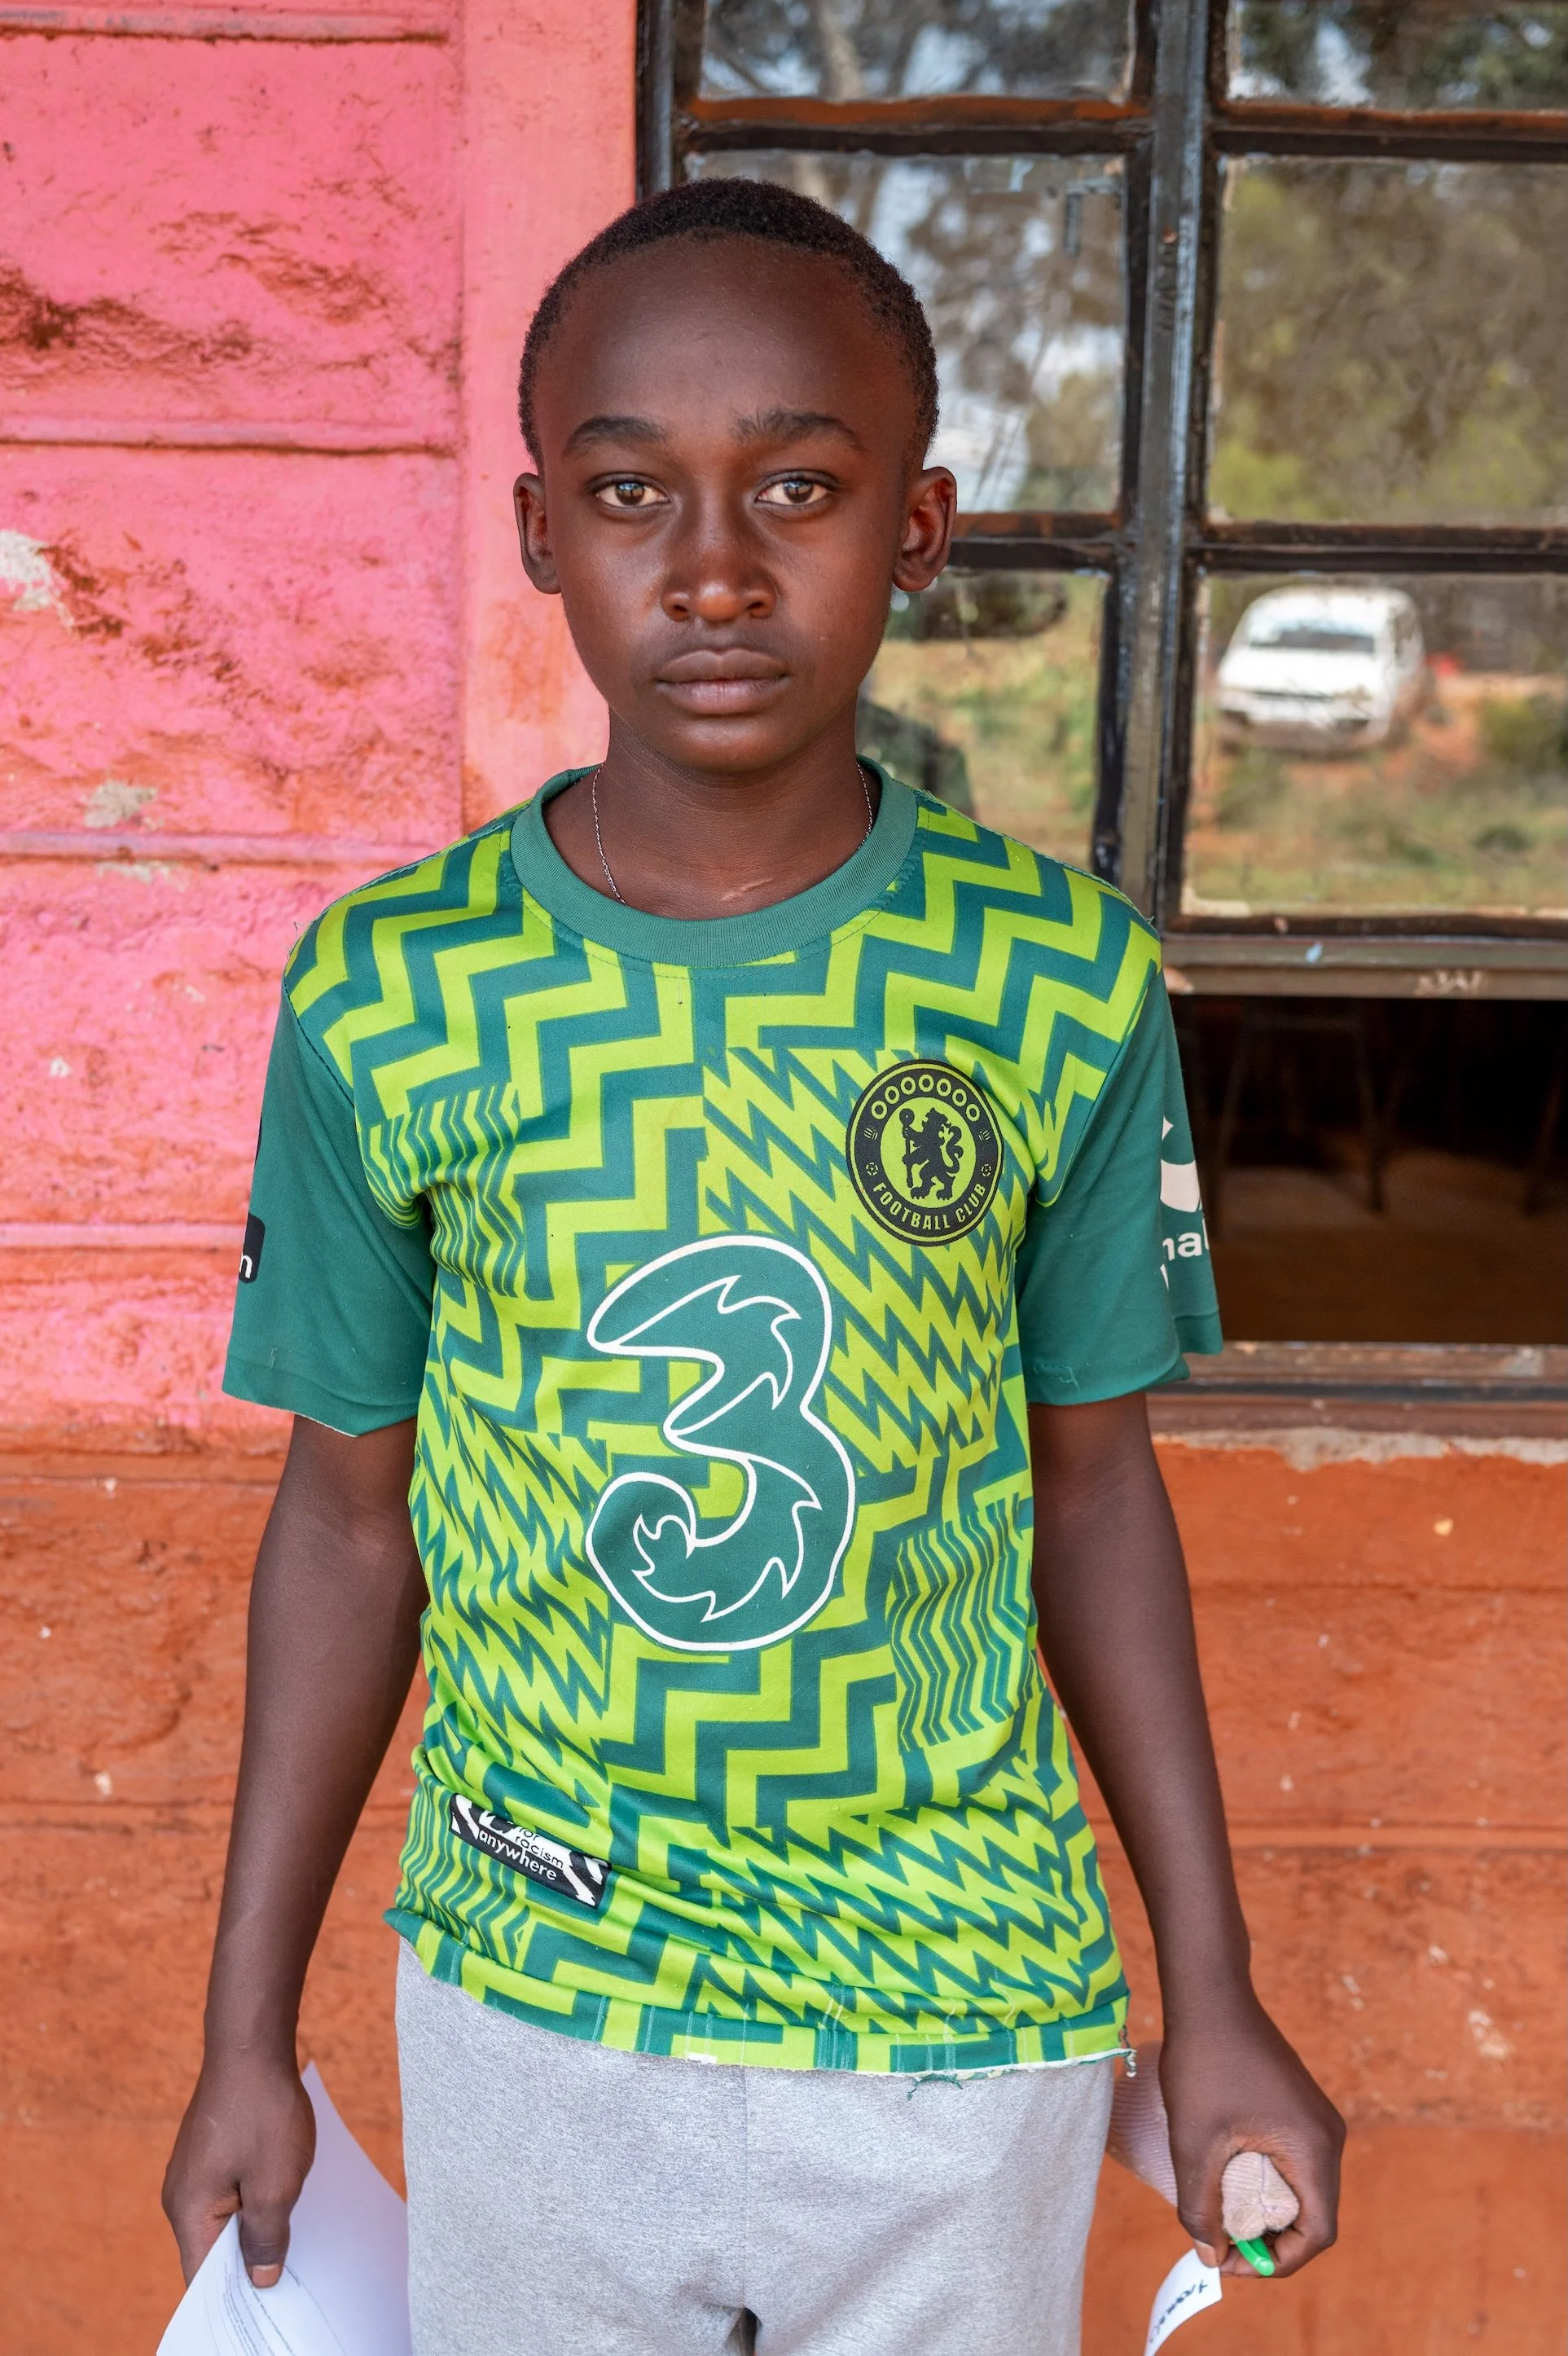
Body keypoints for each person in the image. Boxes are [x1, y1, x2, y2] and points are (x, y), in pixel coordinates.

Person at [163, 177, 1342, 2356]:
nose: (710, 567)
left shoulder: (1052, 978)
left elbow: (1090, 1493)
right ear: (537, 530)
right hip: (536, 2000)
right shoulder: (393, 992)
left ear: (916, 526)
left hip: (954, 2015)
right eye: (629, 493)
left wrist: (1213, 1991)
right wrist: (248, 2026)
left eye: (796, 486)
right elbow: (344, 1522)